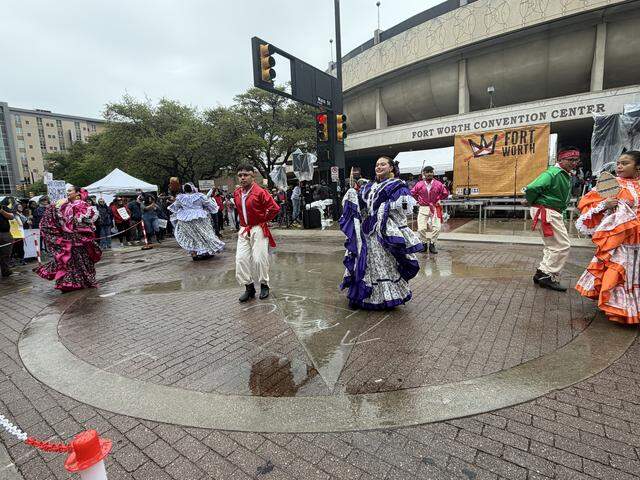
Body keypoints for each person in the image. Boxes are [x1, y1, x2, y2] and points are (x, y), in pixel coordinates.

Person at [340, 156, 424, 310]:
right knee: (367, 263)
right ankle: (364, 296)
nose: (379, 167)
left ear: (391, 168)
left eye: (383, 164)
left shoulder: (397, 185)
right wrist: (352, 194)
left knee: (385, 263)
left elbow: (404, 209)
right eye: (377, 165)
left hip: (383, 231)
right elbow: (362, 206)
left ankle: (387, 297)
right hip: (367, 232)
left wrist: (385, 208)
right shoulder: (368, 186)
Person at [575, 151, 640, 324]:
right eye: (618, 163)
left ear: (638, 167)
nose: (619, 166)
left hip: (638, 239)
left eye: (625, 163)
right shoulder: (611, 184)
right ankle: (618, 308)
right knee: (618, 270)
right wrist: (605, 204)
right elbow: (586, 203)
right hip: (620, 240)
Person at [525, 148, 581, 291]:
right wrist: (531, 201)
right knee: (562, 245)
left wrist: (532, 201)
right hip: (547, 210)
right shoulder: (553, 172)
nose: (574, 163)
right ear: (560, 160)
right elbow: (532, 187)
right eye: (570, 160)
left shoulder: (561, 173)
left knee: (552, 245)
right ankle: (547, 276)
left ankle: (542, 273)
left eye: (576, 160)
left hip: (547, 210)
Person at [35, 185, 101, 292]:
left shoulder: (82, 205)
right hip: (67, 239)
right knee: (68, 261)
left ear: (77, 193)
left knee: (81, 260)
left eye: (70, 191)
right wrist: (54, 208)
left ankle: (82, 281)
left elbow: (85, 222)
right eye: (67, 191)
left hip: (78, 240)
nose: (68, 193)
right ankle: (69, 283)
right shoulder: (63, 205)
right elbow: (55, 220)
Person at [233, 164, 280, 302]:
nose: (242, 178)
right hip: (244, 229)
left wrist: (263, 219)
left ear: (253, 175)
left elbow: (274, 208)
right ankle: (249, 287)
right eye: (240, 175)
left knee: (259, 258)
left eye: (245, 175)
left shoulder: (260, 192)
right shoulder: (237, 193)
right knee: (241, 259)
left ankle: (264, 284)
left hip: (258, 228)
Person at [168, 182, 224, 260]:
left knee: (190, 236)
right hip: (199, 217)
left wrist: (184, 208)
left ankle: (194, 254)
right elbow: (207, 204)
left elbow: (176, 207)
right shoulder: (199, 196)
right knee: (204, 234)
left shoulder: (180, 198)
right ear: (193, 188)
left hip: (185, 219)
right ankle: (206, 252)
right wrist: (209, 209)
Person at [411, 166, 450, 254]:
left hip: (435, 207)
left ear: (433, 173)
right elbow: (413, 193)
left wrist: (438, 198)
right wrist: (418, 200)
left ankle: (432, 243)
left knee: (437, 227)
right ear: (423, 174)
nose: (429, 174)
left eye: (430, 172)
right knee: (421, 228)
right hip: (423, 207)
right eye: (427, 172)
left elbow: (445, 193)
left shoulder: (438, 184)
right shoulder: (419, 184)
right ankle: (424, 243)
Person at [0, 197, 16, 277]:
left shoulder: (3, 207)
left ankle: (5, 270)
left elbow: (12, 217)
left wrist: (1, 211)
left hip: (4, 233)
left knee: (6, 253)